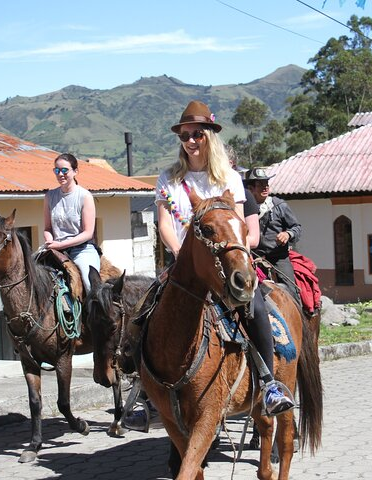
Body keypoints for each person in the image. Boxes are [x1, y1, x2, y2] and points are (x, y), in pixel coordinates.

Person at [122, 101, 293, 431]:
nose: (190, 140)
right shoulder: (169, 179)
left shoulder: (227, 178)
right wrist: (179, 254)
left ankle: (270, 384)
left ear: (210, 136)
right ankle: (141, 394)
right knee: (141, 312)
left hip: (225, 265)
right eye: (185, 135)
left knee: (256, 308)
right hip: (184, 267)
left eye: (197, 134)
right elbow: (166, 224)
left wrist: (235, 260)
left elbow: (239, 224)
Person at [43, 153, 100, 292]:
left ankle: (96, 313)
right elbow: (48, 228)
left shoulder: (84, 196)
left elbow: (88, 233)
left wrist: (60, 244)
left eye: (64, 170)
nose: (60, 174)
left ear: (75, 171)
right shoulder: (49, 196)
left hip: (81, 250)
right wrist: (50, 242)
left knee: (90, 284)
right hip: (55, 249)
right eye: (57, 170)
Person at [245, 167, 302, 301]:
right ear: (251, 188)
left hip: (278, 258)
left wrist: (288, 234)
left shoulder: (279, 205)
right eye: (260, 185)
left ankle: (299, 318)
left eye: (266, 184)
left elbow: (297, 227)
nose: (265, 187)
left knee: (291, 289)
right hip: (252, 257)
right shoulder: (243, 208)